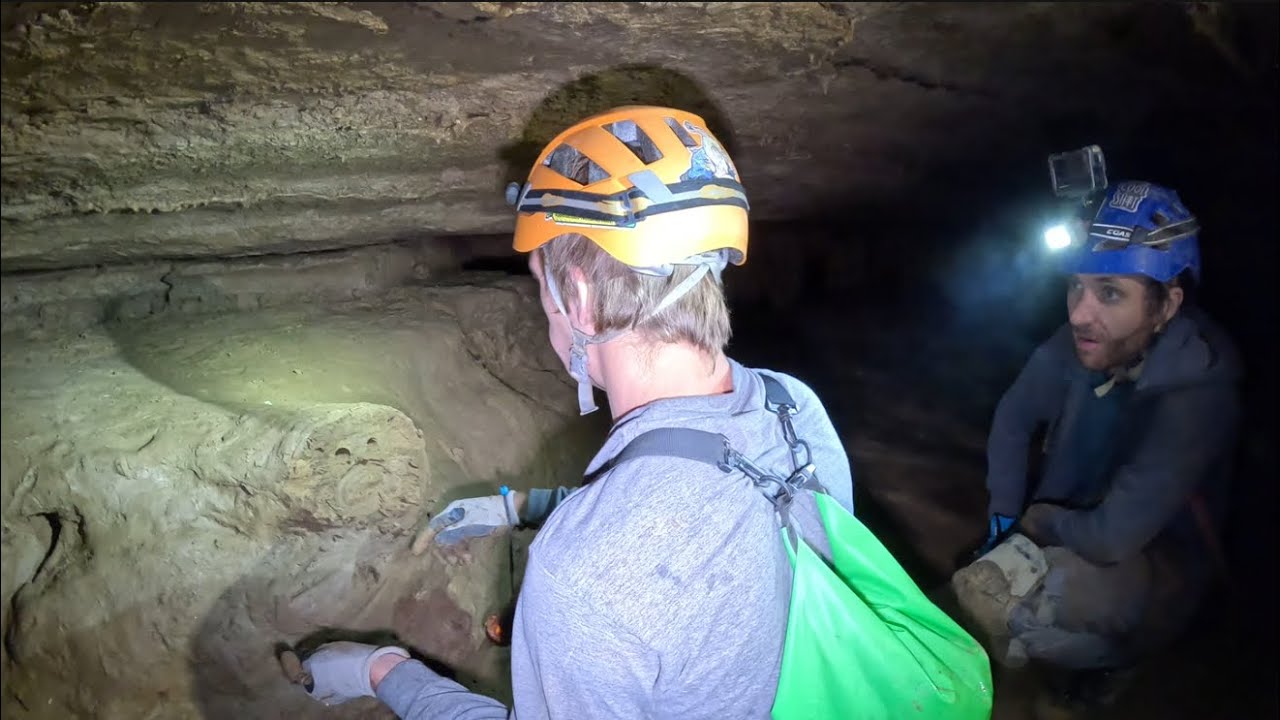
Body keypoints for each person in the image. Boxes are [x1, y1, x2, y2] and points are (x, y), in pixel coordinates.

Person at [294, 105, 855, 719]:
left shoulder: (580, 578)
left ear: (581, 297)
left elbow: (641, 543)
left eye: (542, 284)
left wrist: (387, 674)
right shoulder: (792, 407)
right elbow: (701, 508)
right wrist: (515, 508)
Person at [958, 180, 1242, 715]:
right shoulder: (1087, 342)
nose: (1079, 313)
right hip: (1078, 519)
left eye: (1110, 293)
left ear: (1166, 305)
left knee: (1031, 603)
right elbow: (1015, 419)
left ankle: (1117, 660)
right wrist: (1003, 519)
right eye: (1076, 287)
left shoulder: (1198, 392)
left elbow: (1113, 538)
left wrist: (1036, 523)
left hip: (1155, 560)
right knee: (988, 584)